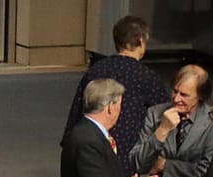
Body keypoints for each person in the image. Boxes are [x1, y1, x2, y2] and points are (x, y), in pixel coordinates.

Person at [62, 16, 169, 159]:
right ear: (141, 41)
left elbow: (75, 117)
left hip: (91, 150)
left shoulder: (95, 70)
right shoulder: (147, 77)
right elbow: (164, 115)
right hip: (129, 157)